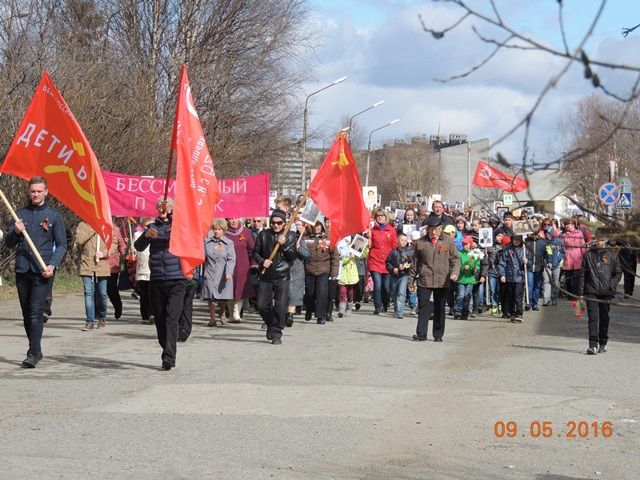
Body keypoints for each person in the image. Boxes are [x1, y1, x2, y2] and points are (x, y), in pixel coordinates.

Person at [5, 176, 67, 368]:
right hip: (23, 268)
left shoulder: (54, 215)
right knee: (26, 313)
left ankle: (32, 352)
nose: (36, 194)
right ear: (29, 192)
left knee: (35, 312)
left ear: (46, 192)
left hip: (43, 270)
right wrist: (15, 231)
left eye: (39, 191)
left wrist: (53, 264)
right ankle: (37, 349)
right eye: (33, 191)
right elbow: (9, 244)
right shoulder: (19, 215)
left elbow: (62, 245)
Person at [134, 197, 186, 371]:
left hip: (177, 279)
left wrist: (171, 228)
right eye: (159, 206)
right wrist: (147, 235)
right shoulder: (152, 227)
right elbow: (138, 246)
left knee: (172, 318)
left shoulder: (178, 225)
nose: (162, 208)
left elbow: (186, 237)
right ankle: (166, 347)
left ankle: (169, 357)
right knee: (160, 319)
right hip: (156, 279)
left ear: (172, 207)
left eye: (166, 205)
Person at [409, 216, 460, 342]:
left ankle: (438, 334)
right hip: (425, 279)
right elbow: (415, 263)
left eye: (436, 229)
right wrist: (411, 280)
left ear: (440, 229)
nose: (433, 232)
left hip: (442, 280)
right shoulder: (421, 243)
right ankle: (421, 333)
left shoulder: (447, 241)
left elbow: (456, 259)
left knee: (439, 307)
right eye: (431, 229)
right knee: (423, 306)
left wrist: (454, 273)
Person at [252, 209, 298, 344]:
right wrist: (262, 261)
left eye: (279, 223)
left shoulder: (290, 236)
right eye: (273, 223)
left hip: (282, 275)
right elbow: (255, 253)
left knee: (280, 306)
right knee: (261, 305)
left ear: (284, 223)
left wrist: (284, 246)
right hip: (266, 275)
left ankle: (277, 333)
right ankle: (271, 324)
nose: (276, 225)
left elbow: (292, 257)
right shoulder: (263, 234)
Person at [580, 231, 622, 355]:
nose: (600, 242)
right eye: (597, 239)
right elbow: (582, 274)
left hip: (606, 292)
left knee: (604, 318)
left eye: (602, 240)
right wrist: (581, 293)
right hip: (591, 290)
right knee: (593, 318)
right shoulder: (588, 255)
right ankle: (592, 345)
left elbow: (618, 272)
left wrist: (611, 284)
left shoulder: (612, 255)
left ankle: (603, 341)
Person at [75, 221, 116, 330]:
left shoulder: (107, 224)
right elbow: (79, 240)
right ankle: (90, 321)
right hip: (86, 264)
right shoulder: (82, 225)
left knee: (102, 294)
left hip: (102, 265)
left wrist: (104, 253)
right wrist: (93, 229)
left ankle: (102, 315)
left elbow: (113, 243)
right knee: (88, 293)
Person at [303, 220, 339, 324]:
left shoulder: (328, 238)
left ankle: (320, 316)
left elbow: (335, 257)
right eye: (314, 225)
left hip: (324, 270)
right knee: (310, 293)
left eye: (318, 225)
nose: (316, 227)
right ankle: (309, 310)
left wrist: (334, 273)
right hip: (309, 269)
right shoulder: (306, 237)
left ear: (321, 226)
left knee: (322, 293)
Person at [202, 220, 236, 327]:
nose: (217, 231)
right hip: (210, 271)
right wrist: (213, 250)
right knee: (211, 296)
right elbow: (203, 256)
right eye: (215, 229)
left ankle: (222, 314)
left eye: (219, 229)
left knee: (223, 296)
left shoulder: (229, 243)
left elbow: (231, 259)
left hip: (223, 272)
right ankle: (212, 318)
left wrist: (229, 272)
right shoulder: (207, 242)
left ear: (224, 230)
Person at [368, 209, 398, 314]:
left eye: (382, 216)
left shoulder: (391, 230)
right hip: (375, 261)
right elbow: (369, 246)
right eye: (378, 216)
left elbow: (395, 246)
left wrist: (396, 261)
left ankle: (385, 303)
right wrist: (368, 239)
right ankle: (377, 306)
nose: (380, 218)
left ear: (386, 217)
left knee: (386, 287)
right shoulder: (372, 231)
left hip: (387, 263)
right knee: (377, 285)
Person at [225, 217, 255, 323]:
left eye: (235, 218)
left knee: (240, 287)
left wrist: (254, 264)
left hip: (242, 263)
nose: (233, 221)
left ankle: (236, 312)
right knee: (228, 288)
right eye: (231, 219)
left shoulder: (246, 232)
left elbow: (252, 249)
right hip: (227, 264)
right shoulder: (223, 231)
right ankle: (230, 311)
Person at [497, 234, 531, 323]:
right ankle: (512, 313)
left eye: (518, 239)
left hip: (520, 277)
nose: (516, 241)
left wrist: (527, 262)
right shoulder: (507, 250)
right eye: (514, 239)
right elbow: (502, 263)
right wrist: (502, 275)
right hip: (509, 276)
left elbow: (530, 263)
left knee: (518, 295)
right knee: (510, 296)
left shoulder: (525, 250)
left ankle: (519, 313)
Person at [286, 217, 310, 325]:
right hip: (285, 267)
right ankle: (284, 313)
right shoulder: (285, 238)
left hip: (297, 268)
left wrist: (299, 248)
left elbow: (307, 255)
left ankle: (290, 314)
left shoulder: (300, 239)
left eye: (299, 225)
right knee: (285, 291)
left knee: (294, 291)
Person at [386, 233, 415, 319]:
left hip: (404, 275)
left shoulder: (410, 251)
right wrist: (393, 269)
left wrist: (406, 265)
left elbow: (412, 262)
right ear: (397, 241)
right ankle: (396, 309)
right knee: (394, 293)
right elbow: (388, 263)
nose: (404, 242)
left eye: (405, 240)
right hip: (394, 275)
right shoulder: (393, 252)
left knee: (401, 293)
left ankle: (400, 312)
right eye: (402, 240)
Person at [454, 236, 480, 320]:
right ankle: (458, 310)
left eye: (466, 244)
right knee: (460, 295)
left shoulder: (474, 254)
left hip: (470, 279)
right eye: (463, 243)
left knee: (467, 295)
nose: (464, 245)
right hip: (461, 279)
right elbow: (457, 265)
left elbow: (477, 265)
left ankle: (465, 312)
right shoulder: (460, 253)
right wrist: (462, 267)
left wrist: (474, 268)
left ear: (470, 244)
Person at [133, 217, 154, 323]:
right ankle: (145, 315)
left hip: (153, 267)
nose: (148, 228)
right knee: (144, 293)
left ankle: (152, 313)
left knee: (152, 293)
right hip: (142, 267)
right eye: (146, 226)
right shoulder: (138, 235)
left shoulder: (155, 234)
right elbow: (135, 248)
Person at [524, 227, 548, 311]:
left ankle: (535, 304)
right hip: (529, 266)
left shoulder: (543, 242)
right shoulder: (526, 241)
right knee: (529, 285)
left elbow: (547, 253)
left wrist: (547, 261)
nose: (534, 236)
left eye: (535, 234)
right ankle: (529, 303)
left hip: (539, 267)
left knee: (536, 286)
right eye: (532, 234)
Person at [562, 218, 586, 299]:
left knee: (576, 278)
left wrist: (585, 256)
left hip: (577, 256)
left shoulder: (579, 233)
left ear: (572, 225)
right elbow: (562, 246)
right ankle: (569, 294)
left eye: (567, 224)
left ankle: (575, 295)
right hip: (568, 256)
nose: (566, 226)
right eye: (565, 225)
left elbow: (583, 246)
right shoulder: (565, 234)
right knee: (568, 277)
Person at [107, 222, 127, 320]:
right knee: (99, 291)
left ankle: (117, 305)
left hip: (112, 265)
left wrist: (124, 253)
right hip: (98, 264)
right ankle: (98, 313)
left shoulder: (115, 229)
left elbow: (121, 244)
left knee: (111, 289)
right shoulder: (96, 227)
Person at [542, 226, 565, 306]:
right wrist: (545, 261)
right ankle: (546, 300)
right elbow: (541, 254)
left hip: (556, 265)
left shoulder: (558, 241)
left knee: (555, 282)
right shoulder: (543, 242)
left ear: (551, 233)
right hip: (546, 265)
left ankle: (554, 298)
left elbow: (563, 252)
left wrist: (557, 259)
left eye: (548, 233)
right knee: (546, 281)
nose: (547, 235)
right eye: (545, 233)